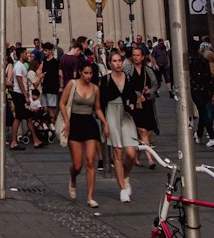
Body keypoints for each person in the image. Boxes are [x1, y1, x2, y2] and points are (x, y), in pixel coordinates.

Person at [59, 59, 108, 210]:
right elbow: (62, 102)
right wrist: (67, 121)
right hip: (74, 123)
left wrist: (105, 123)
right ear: (80, 72)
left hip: (89, 124)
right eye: (85, 73)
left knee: (91, 161)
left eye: (90, 73)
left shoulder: (95, 88)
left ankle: (90, 197)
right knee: (78, 164)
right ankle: (73, 178)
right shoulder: (72, 84)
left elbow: (98, 108)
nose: (88, 76)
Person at [100, 49, 139, 202]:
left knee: (131, 153)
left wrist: (134, 104)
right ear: (110, 63)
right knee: (117, 152)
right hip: (111, 113)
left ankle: (125, 175)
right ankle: (122, 188)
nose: (117, 63)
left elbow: (133, 96)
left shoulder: (128, 77)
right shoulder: (105, 80)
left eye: (119, 60)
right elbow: (100, 104)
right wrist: (104, 123)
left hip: (126, 116)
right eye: (114, 61)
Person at [128, 44, 159, 164]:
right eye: (134, 55)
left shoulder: (148, 70)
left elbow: (155, 84)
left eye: (138, 55)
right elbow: (127, 85)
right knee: (142, 131)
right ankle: (150, 159)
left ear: (142, 57)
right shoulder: (129, 69)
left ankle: (137, 157)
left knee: (142, 131)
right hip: (134, 104)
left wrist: (149, 91)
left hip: (146, 104)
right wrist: (137, 95)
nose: (135, 57)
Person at [190, 42, 214, 146]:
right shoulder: (209, 63)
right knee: (203, 112)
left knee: (203, 113)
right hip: (205, 90)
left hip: (197, 90)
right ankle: (199, 135)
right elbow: (209, 79)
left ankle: (212, 136)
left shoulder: (196, 62)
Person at [41, 42, 62, 121]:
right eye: (44, 50)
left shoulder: (55, 62)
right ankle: (49, 125)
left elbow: (56, 76)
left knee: (51, 108)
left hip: (52, 88)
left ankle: (53, 124)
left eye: (46, 50)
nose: (44, 52)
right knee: (46, 108)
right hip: (45, 87)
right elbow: (43, 72)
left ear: (50, 51)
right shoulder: (45, 61)